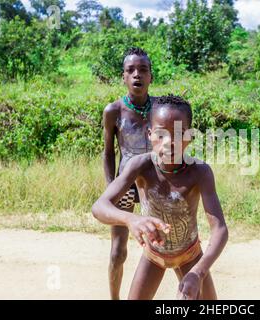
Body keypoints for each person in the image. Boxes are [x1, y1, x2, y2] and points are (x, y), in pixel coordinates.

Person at [92, 95, 229, 300]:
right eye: (160, 135)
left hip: (190, 256)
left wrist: (198, 273)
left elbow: (220, 230)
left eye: (178, 134)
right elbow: (99, 207)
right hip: (153, 256)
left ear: (189, 136)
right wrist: (131, 219)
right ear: (149, 134)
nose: (169, 142)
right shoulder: (140, 166)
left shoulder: (199, 172)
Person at [102, 47, 154, 299]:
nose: (137, 75)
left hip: (154, 183)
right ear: (123, 77)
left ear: (151, 77)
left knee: (162, 245)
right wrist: (110, 188)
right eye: (130, 70)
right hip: (124, 184)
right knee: (118, 252)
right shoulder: (113, 111)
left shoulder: (161, 110)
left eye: (143, 70)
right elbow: (109, 153)